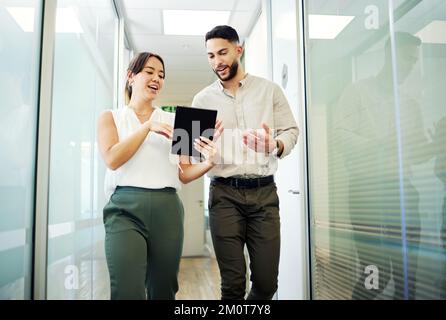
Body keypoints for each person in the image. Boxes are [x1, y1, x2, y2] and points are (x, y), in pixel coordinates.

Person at [97, 52, 223, 300]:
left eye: (162, 75)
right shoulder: (110, 117)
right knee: (126, 289)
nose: (157, 78)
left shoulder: (179, 120)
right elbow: (112, 159)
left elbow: (185, 174)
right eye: (150, 72)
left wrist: (210, 162)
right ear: (131, 77)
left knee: (163, 289)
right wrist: (146, 128)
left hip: (168, 210)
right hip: (124, 211)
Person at [192, 25, 299, 300]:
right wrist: (206, 147)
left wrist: (273, 145)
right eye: (211, 56)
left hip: (264, 194)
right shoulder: (201, 100)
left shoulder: (269, 90)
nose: (217, 62)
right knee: (233, 284)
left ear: (239, 50)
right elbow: (188, 155)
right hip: (224, 194)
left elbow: (291, 130)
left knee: (266, 284)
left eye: (223, 53)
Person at [334, 32, 433, 299]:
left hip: (403, 191)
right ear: (390, 56)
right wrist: (380, 143)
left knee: (407, 273)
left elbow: (416, 153)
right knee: (375, 272)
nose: (410, 67)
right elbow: (340, 136)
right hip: (368, 192)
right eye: (406, 60)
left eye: (413, 62)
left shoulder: (410, 104)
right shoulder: (357, 91)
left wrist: (435, 146)